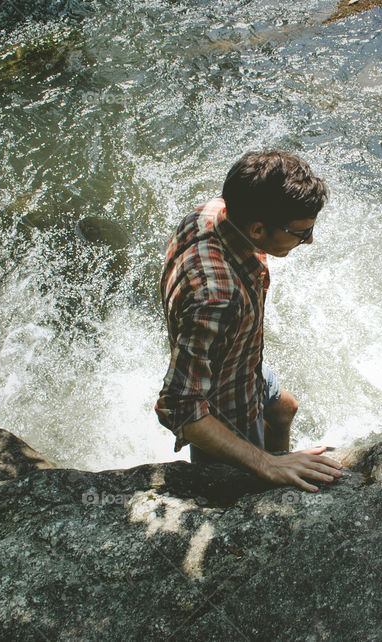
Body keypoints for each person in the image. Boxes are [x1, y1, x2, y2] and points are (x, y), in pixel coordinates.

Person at [155, 149, 343, 492]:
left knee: (284, 409)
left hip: (241, 365)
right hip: (224, 404)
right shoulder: (217, 297)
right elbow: (180, 408)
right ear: (257, 229)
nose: (310, 240)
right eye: (301, 233)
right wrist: (268, 464)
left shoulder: (216, 211)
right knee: (252, 485)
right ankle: (275, 481)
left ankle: (280, 462)